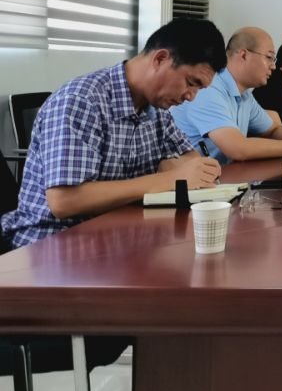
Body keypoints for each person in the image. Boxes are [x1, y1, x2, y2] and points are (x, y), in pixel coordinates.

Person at [1, 19, 227, 249]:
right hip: (55, 244)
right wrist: (169, 178)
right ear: (160, 59)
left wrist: (183, 169)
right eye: (191, 83)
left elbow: (192, 162)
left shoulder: (157, 110)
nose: (191, 96)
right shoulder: (82, 101)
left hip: (119, 233)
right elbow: (64, 201)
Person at [171, 27, 282, 164]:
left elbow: (273, 131)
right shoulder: (209, 88)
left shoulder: (245, 95)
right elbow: (238, 148)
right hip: (193, 186)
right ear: (244, 55)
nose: (273, 66)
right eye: (269, 58)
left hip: (224, 179)